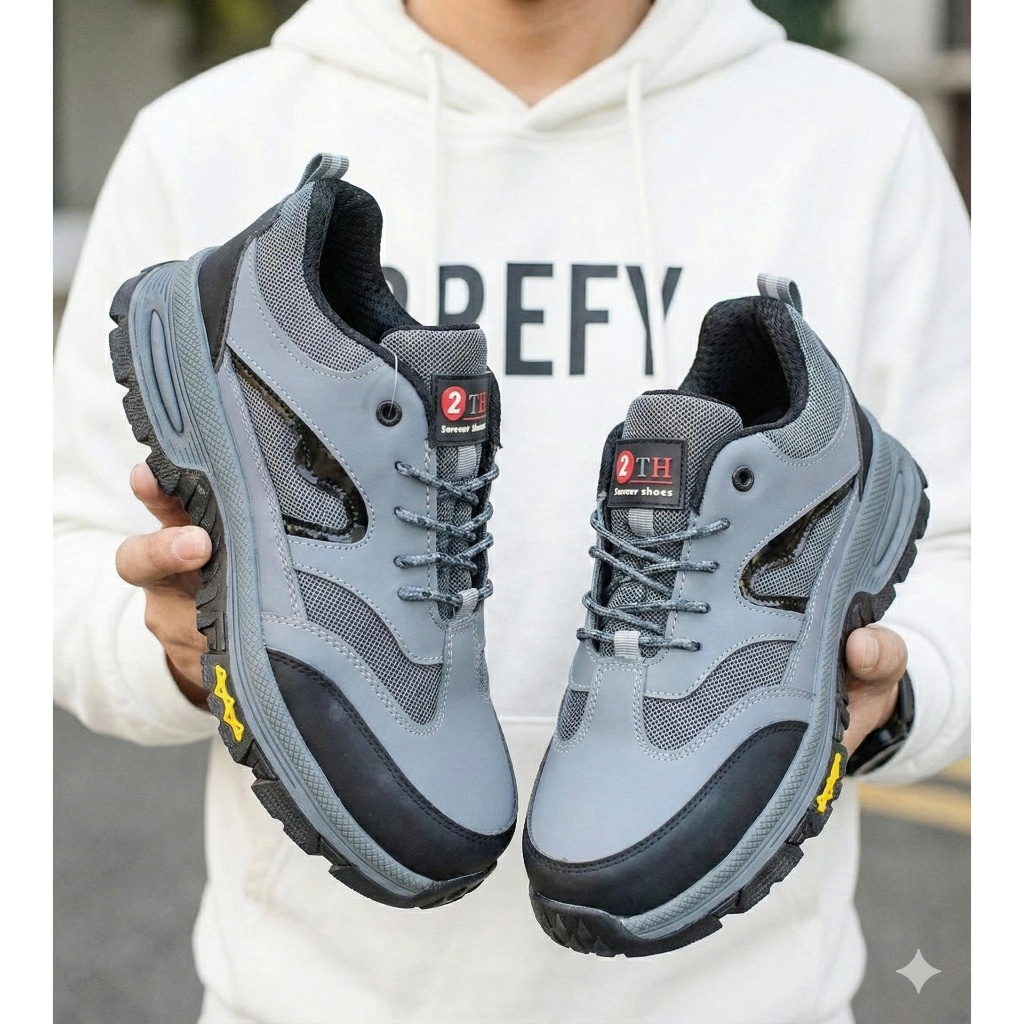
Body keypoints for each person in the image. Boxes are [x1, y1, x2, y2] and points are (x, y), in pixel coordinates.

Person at [52, 0, 970, 1021]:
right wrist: (176, 655)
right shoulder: (202, 134)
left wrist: (895, 698)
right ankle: (291, 375)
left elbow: (983, 557)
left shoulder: (862, 141)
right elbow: (53, 561)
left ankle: (800, 477)